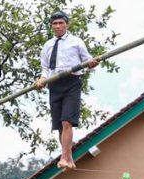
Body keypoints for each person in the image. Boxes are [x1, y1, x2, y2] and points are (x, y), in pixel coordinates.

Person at [33, 9, 99, 170]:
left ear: (67, 24)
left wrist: (92, 64)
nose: (58, 26)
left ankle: (64, 157)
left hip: (72, 82)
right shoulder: (47, 45)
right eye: (54, 24)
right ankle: (68, 158)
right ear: (51, 26)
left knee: (67, 120)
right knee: (59, 125)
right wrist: (41, 79)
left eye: (61, 23)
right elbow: (45, 69)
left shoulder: (76, 41)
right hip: (54, 84)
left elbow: (87, 60)